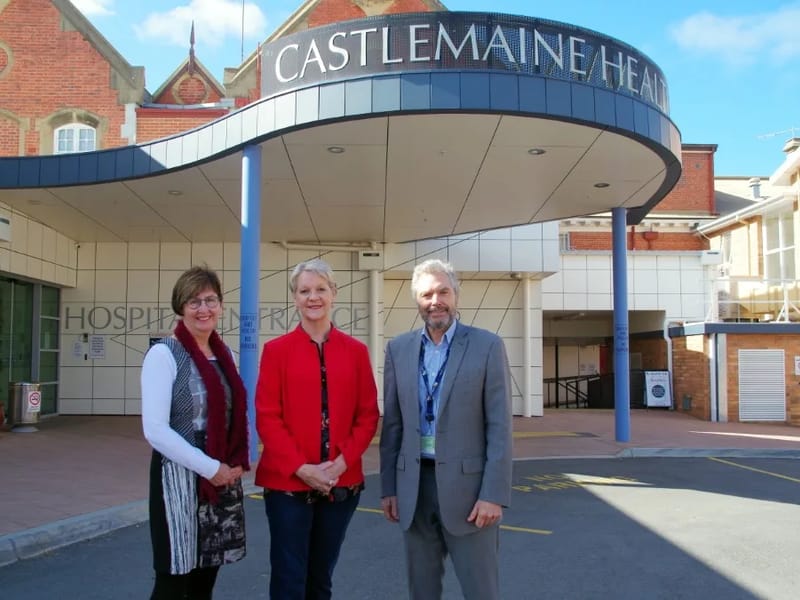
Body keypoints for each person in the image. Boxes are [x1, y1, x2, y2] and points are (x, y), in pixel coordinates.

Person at [380, 258, 513, 600]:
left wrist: (493, 494)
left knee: (481, 590)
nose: (435, 300)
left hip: (471, 494)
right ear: (417, 301)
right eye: (426, 294)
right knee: (421, 591)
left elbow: (499, 427)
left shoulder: (487, 346)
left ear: (455, 295)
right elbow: (393, 426)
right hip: (414, 490)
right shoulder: (398, 349)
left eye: (443, 291)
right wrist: (389, 488)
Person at [255, 258, 379, 600]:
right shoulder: (276, 351)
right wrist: (302, 468)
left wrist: (340, 464)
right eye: (304, 290)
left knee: (320, 577)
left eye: (320, 289)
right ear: (294, 297)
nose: (313, 297)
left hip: (341, 483)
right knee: (288, 578)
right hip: (287, 484)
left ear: (334, 293)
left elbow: (368, 415)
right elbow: (267, 416)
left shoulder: (355, 352)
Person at [141, 266, 249, 600]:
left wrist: (231, 465)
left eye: (210, 300)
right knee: (174, 581)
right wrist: (211, 468)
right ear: (180, 307)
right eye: (193, 301)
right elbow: (155, 430)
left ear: (220, 304)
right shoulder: (164, 354)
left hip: (221, 478)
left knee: (205, 579)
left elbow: (235, 415)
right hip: (180, 479)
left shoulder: (225, 354)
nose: (203, 309)